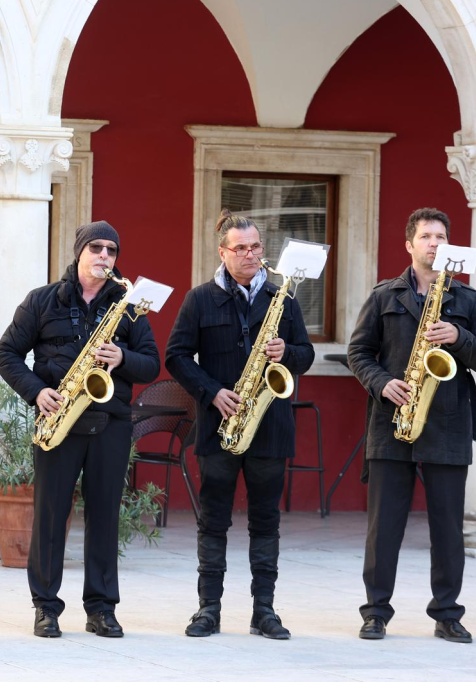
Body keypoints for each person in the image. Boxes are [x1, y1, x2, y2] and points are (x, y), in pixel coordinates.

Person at [0, 220, 160, 639]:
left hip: (111, 422)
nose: (105, 256)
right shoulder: (43, 300)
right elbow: (6, 353)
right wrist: (37, 392)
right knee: (50, 516)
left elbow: (152, 363)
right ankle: (45, 607)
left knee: (104, 517)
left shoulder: (129, 303)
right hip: (58, 419)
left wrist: (122, 357)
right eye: (97, 248)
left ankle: (102, 608)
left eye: (112, 251)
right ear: (79, 252)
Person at [347, 207, 476, 643]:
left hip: (447, 425)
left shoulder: (467, 300)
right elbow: (360, 354)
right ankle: (375, 612)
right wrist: (382, 383)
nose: (435, 243)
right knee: (383, 528)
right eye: (427, 236)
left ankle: (447, 614)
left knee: (448, 529)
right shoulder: (382, 296)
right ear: (410, 244)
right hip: (392, 422)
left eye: (441, 236)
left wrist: (459, 337)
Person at [165, 210, 314, 641]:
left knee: (266, 522)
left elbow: (305, 354)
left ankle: (263, 611)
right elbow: (175, 356)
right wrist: (211, 392)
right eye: (241, 249)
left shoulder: (282, 297)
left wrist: (287, 351)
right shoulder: (199, 299)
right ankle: (208, 609)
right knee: (213, 521)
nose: (251, 255)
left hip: (270, 425)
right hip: (220, 425)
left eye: (256, 247)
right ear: (223, 252)